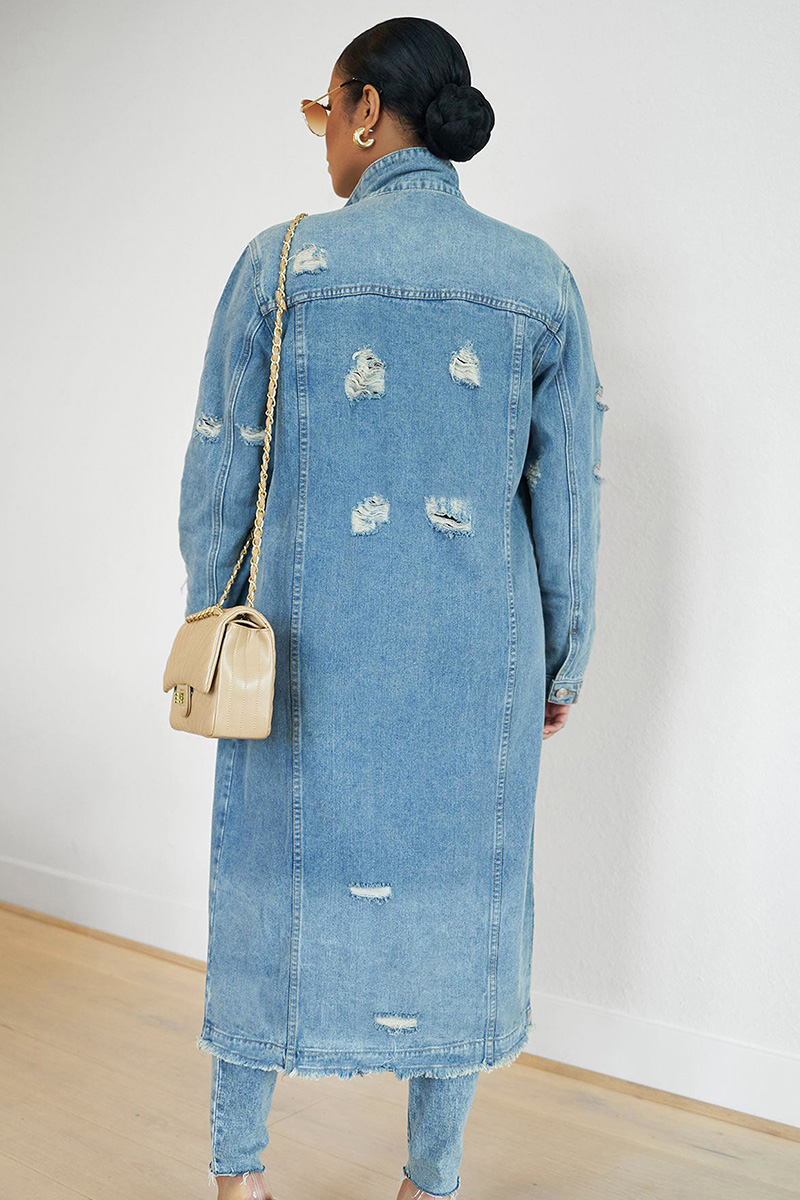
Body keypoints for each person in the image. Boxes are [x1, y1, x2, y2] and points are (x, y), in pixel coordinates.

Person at [176, 16, 605, 1200]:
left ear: (367, 110)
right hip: (478, 658)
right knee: (457, 895)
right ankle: (430, 1181)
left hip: (300, 655)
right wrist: (560, 658)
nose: (322, 137)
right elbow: (565, 493)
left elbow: (223, 464)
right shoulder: (537, 279)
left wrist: (212, 612)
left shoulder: (282, 264)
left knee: (267, 888)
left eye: (325, 112)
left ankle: (238, 1177)